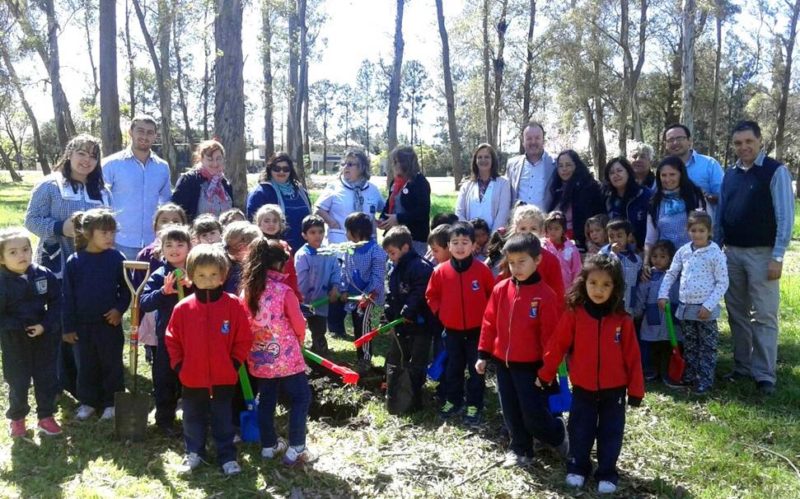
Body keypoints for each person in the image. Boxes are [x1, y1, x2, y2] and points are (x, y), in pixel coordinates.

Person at [538, 254, 644, 494]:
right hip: (583, 389)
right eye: (593, 283)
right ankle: (578, 466)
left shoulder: (622, 320)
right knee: (580, 429)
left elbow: (633, 358)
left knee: (611, 432)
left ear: (615, 287)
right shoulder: (574, 314)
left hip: (614, 391)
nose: (598, 289)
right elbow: (557, 345)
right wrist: (545, 373)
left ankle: (607, 472)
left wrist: (636, 390)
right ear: (583, 282)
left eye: (606, 284)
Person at [24, 134, 111, 398]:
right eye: (81, 153)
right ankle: (55, 378)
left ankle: (84, 376)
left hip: (90, 264)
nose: (87, 160)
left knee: (82, 316)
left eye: (93, 156)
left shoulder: (102, 191)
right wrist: (59, 227)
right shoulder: (50, 186)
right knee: (58, 317)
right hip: (57, 260)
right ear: (69, 154)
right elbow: (31, 220)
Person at [476, 233, 568, 467]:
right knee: (510, 411)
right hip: (503, 364)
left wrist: (547, 370)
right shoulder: (500, 289)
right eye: (511, 262)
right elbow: (489, 322)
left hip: (531, 368)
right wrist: (483, 353)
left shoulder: (545, 295)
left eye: (522, 262)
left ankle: (557, 433)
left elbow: (550, 338)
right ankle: (520, 449)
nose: (516, 268)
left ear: (537, 260)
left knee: (533, 414)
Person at [716, 121, 794, 395]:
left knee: (764, 315)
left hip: (763, 255)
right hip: (731, 254)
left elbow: (785, 216)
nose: (744, 147)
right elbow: (721, 214)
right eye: (738, 143)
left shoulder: (775, 171)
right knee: (737, 313)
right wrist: (716, 249)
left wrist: (777, 256)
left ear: (760, 141)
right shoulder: (730, 174)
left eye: (749, 141)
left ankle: (764, 375)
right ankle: (742, 366)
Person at [165, 244, 252, 475]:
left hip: (224, 377)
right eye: (201, 275)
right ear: (191, 276)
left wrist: (234, 363)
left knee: (223, 418)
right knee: (192, 417)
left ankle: (227, 455)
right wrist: (180, 366)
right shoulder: (183, 308)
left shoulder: (233, 304)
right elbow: (172, 339)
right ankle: (194, 452)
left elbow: (244, 338)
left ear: (223, 275)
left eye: (214, 274)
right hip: (192, 378)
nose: (208, 280)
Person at [241, 238, 313, 466]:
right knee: (301, 397)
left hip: (260, 356)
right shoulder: (284, 291)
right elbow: (298, 323)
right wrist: (300, 340)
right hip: (287, 356)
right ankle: (297, 447)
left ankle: (269, 446)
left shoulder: (247, 292)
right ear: (280, 264)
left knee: (266, 400)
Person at [62, 209, 130, 421]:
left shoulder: (117, 258)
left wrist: (119, 309)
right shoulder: (74, 261)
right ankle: (88, 402)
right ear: (88, 233)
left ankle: (112, 402)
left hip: (109, 325)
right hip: (82, 326)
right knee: (86, 365)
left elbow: (126, 289)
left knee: (112, 364)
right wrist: (68, 327)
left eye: (112, 232)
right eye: (104, 233)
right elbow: (67, 296)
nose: (110, 237)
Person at [425, 222, 495, 423]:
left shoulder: (482, 270)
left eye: (465, 242)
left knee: (476, 370)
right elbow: (431, 295)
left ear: (473, 245)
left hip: (476, 331)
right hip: (451, 331)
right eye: (455, 242)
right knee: (453, 368)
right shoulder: (441, 271)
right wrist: (441, 312)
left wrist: (488, 319)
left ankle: (474, 404)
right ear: (449, 245)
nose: (460, 247)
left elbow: (492, 296)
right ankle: (453, 400)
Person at [0, 228, 63, 437]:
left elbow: (57, 302)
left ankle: (46, 416)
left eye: (26, 249)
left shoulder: (43, 274)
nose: (22, 255)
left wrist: (45, 325)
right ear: (1, 259)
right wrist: (20, 327)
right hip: (14, 341)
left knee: (46, 378)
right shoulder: (2, 282)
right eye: (13, 252)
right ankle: (17, 418)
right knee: (18, 381)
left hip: (44, 338)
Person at [659, 212, 728, 394]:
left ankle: (705, 379)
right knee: (690, 344)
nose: (697, 234)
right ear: (687, 230)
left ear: (709, 231)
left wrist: (708, 305)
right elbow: (672, 273)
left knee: (707, 346)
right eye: (693, 230)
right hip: (686, 308)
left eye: (701, 231)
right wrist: (663, 294)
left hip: (705, 310)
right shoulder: (684, 252)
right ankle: (690, 375)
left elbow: (722, 282)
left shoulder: (715, 253)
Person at [140, 225, 195, 435]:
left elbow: (209, 294)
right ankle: (164, 420)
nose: (174, 249)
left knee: (192, 377)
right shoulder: (159, 275)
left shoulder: (196, 271)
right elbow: (145, 303)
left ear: (189, 247)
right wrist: (163, 292)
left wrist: (192, 286)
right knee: (165, 377)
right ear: (161, 249)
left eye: (180, 245)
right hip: (167, 337)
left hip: (194, 337)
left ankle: (194, 416)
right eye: (169, 245)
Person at [102, 115, 172, 260]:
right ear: (130, 132)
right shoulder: (111, 164)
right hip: (119, 242)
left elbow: (166, 204)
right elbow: (101, 203)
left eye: (150, 132)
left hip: (153, 244)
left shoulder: (162, 167)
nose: (145, 136)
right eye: (140, 131)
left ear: (155, 136)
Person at [382, 226, 436, 413]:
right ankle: (397, 393)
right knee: (397, 356)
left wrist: (408, 311)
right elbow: (391, 294)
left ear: (405, 248)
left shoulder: (421, 267)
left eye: (392, 253)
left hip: (420, 324)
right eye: (388, 254)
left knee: (418, 359)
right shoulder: (395, 268)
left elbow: (419, 293)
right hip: (401, 324)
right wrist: (388, 313)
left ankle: (415, 396)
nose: (391, 257)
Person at [643, 156, 706, 273]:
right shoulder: (655, 202)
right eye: (664, 175)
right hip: (664, 264)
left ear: (681, 174)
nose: (668, 179)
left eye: (672, 174)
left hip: (692, 263)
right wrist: (646, 263)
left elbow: (705, 229)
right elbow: (650, 237)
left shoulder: (695, 197)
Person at [339, 213, 387, 365]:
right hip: (354, 297)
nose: (346, 234)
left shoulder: (376, 251)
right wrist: (343, 289)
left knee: (364, 326)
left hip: (370, 298)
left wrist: (368, 295)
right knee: (357, 325)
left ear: (357, 232)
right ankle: (360, 356)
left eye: (348, 230)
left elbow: (377, 277)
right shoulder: (349, 249)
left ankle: (365, 359)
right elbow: (344, 270)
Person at [634, 240, 680, 385]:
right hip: (652, 319)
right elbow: (641, 294)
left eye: (662, 256)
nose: (658, 260)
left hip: (671, 319)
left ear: (671, 258)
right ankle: (650, 370)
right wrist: (638, 311)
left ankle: (667, 372)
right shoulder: (649, 275)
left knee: (669, 346)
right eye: (654, 256)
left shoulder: (677, 276)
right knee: (650, 345)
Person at [246, 152, 312, 253]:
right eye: (277, 168)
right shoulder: (260, 192)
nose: (281, 172)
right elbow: (253, 225)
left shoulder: (300, 191)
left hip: (303, 249)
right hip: (275, 251)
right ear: (270, 169)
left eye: (286, 169)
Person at [315, 148, 384, 244]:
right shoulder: (334, 186)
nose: (346, 167)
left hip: (366, 246)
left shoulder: (373, 190)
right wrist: (333, 223)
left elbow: (384, 209)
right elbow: (318, 210)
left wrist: (379, 221)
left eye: (350, 164)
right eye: (344, 164)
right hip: (340, 242)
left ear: (362, 167)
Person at [294, 215, 342, 355]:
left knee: (319, 329)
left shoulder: (329, 253)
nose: (317, 236)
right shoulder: (302, 255)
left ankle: (320, 354)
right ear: (304, 235)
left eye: (320, 232)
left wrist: (335, 287)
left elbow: (335, 271)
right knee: (298, 329)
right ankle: (297, 354)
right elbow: (300, 280)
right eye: (312, 232)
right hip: (303, 302)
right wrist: (300, 300)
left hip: (321, 301)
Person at [547, 150, 605, 252]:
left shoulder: (589, 188)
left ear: (576, 166)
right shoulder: (557, 189)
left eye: (568, 165)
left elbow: (596, 217)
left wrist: (589, 240)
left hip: (581, 244)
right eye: (560, 166)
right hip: (557, 242)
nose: (564, 169)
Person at [379, 146, 432, 255]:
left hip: (414, 239)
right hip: (393, 238)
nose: (393, 165)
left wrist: (399, 218)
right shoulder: (395, 182)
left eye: (396, 162)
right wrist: (383, 219)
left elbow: (422, 211)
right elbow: (389, 204)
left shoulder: (420, 182)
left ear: (405, 163)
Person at [663, 124, 724, 216]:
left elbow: (724, 196)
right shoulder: (664, 168)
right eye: (670, 140)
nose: (675, 143)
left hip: (703, 223)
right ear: (666, 145)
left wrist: (705, 196)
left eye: (680, 138)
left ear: (689, 141)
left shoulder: (709, 164)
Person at [171, 140, 234, 221]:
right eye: (210, 159)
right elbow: (176, 214)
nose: (215, 164)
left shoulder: (225, 184)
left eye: (218, 159)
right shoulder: (188, 181)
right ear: (201, 159)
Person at [455, 143, 511, 232]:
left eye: (487, 157)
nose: (483, 160)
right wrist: (468, 235)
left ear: (493, 160)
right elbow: (459, 212)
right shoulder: (466, 186)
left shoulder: (503, 184)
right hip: (469, 237)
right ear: (475, 161)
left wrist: (492, 237)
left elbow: (503, 213)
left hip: (494, 236)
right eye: (479, 157)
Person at [602, 157, 652, 251]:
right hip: (617, 251)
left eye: (619, 171)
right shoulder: (607, 199)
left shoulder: (645, 195)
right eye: (611, 173)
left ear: (628, 172)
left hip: (643, 250)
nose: (616, 175)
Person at [505, 121, 556, 210]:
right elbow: (505, 196)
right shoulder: (512, 165)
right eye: (529, 138)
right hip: (517, 218)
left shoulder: (555, 163)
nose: (533, 142)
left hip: (546, 218)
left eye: (537, 138)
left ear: (543, 140)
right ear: (523, 142)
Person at [254, 205, 301, 299]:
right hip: (262, 294)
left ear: (280, 225)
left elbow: (291, 274)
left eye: (275, 221)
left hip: (283, 293)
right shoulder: (256, 246)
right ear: (259, 224)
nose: (271, 224)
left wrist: (295, 294)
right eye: (266, 221)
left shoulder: (285, 246)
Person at [599, 219, 642, 315]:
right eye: (611, 236)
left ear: (629, 237)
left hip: (628, 304)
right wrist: (613, 254)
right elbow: (601, 271)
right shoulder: (603, 253)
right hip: (609, 302)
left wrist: (638, 306)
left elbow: (638, 284)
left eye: (619, 236)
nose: (615, 239)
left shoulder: (636, 259)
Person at [543, 211, 582, 291]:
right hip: (547, 289)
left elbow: (577, 270)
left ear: (563, 229)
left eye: (556, 229)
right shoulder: (543, 246)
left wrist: (574, 289)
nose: (552, 231)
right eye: (550, 228)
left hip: (566, 289)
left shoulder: (571, 248)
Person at [221, 221, 262, 295]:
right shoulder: (225, 266)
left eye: (241, 245)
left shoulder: (258, 267)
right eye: (231, 246)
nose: (236, 250)